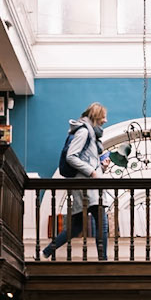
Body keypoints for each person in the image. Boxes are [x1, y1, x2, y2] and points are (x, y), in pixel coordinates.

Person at [41, 102, 110, 259]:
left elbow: (86, 159)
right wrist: (92, 172)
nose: (105, 121)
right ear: (96, 116)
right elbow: (71, 156)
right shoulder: (85, 132)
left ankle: (45, 252)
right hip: (87, 185)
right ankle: (103, 260)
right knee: (102, 223)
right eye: (103, 117)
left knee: (76, 227)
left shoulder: (90, 134)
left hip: (85, 184)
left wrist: (101, 168)